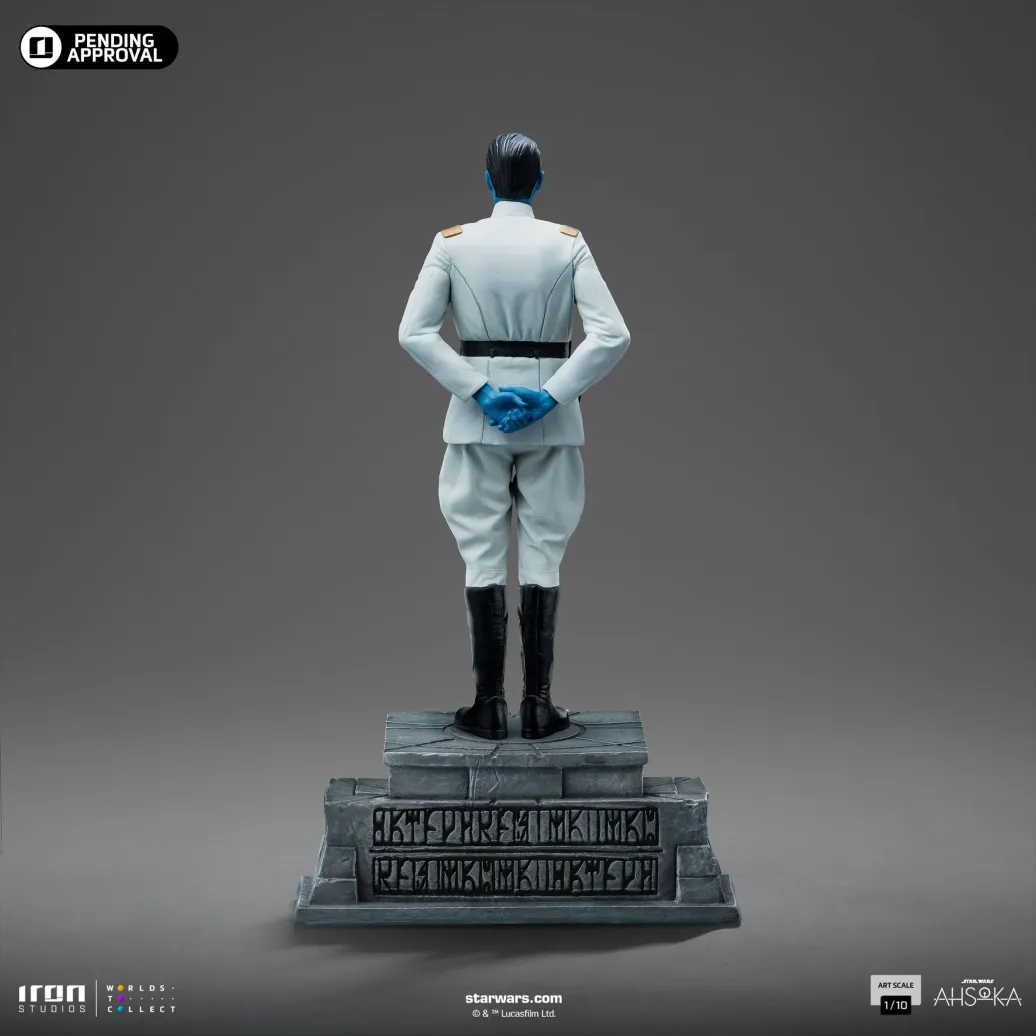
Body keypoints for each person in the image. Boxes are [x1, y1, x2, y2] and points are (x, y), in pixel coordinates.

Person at [398, 131, 630, 740]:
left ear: (487, 180)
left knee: (480, 553)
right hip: (551, 420)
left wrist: (478, 390)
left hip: (478, 420)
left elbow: (414, 332)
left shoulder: (454, 243)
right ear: (540, 182)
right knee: (544, 553)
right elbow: (612, 335)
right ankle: (538, 705)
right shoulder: (567, 244)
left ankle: (489, 704)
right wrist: (551, 395)